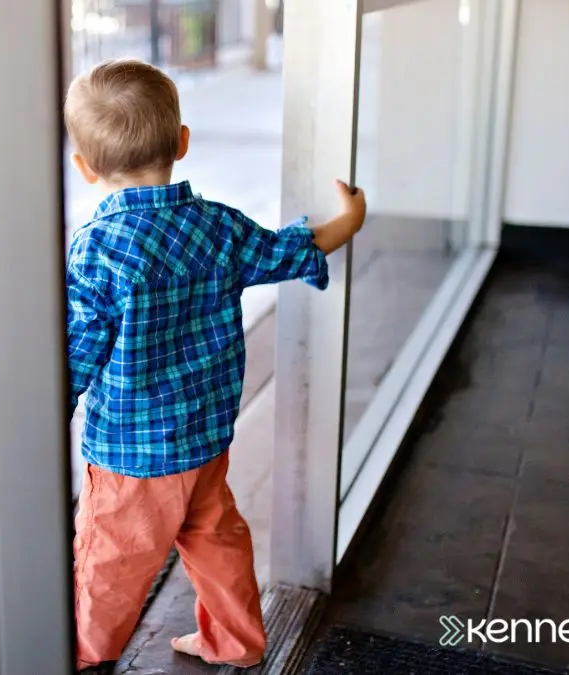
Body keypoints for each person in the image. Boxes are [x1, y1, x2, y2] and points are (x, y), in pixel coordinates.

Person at [65, 58, 366, 671]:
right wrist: (348, 220)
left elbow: (76, 356)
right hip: (204, 440)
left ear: (85, 166)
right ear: (181, 142)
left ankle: (83, 653)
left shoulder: (97, 251)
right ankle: (237, 641)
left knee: (111, 560)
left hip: (130, 456)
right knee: (216, 541)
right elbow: (288, 251)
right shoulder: (219, 228)